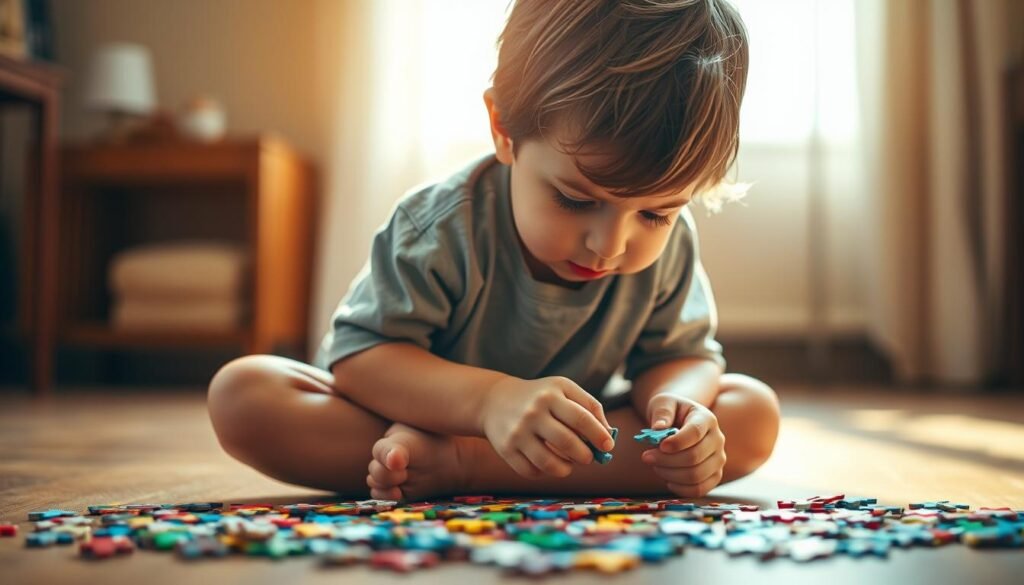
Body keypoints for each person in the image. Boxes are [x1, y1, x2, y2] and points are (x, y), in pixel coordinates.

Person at [208, 0, 780, 502]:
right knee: (244, 395)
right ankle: (467, 457)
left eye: (656, 212)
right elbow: (362, 358)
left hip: (548, 436)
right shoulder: (439, 226)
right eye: (575, 199)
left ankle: (463, 465)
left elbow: (682, 357)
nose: (610, 244)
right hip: (415, 419)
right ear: (503, 129)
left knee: (751, 415)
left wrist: (679, 410)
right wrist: (490, 404)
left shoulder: (670, 245)